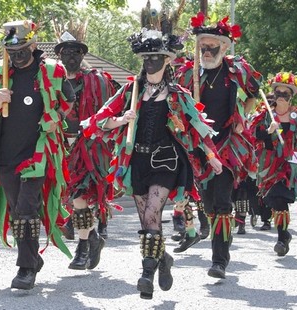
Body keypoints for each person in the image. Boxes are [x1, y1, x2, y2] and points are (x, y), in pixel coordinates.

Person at [82, 23, 222, 298]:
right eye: (146, 59)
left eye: (155, 58)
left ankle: (146, 273)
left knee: (152, 214)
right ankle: (163, 259)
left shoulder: (176, 95)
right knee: (149, 223)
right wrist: (122, 119)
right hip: (138, 161)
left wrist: (211, 156)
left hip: (166, 161)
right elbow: (98, 122)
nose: (150, 63)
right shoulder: (130, 91)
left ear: (167, 60)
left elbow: (198, 127)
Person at [0, 20, 75, 290]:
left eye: (22, 51)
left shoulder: (52, 71)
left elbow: (68, 101)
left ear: (34, 45)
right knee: (18, 212)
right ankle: (31, 258)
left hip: (38, 153)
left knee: (27, 209)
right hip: (5, 155)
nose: (16, 57)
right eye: (11, 52)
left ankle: (26, 268)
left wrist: (56, 118)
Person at [176, 12, 262, 279]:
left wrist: (242, 118)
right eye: (203, 46)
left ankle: (219, 260)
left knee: (223, 202)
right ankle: (221, 236)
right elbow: (177, 105)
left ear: (224, 46)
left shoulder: (237, 70)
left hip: (225, 143)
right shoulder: (188, 74)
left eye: (212, 46)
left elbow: (254, 95)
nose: (207, 51)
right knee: (209, 204)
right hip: (198, 147)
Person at [54, 32, 119, 270]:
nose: (71, 57)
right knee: (71, 197)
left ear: (83, 55)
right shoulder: (52, 79)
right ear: (59, 55)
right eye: (66, 52)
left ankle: (82, 248)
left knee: (80, 196)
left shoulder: (97, 80)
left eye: (76, 52)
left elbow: (109, 109)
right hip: (59, 145)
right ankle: (92, 238)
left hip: (88, 146)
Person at [251, 72, 297, 255]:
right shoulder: (265, 114)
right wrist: (268, 131)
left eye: (285, 93)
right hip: (269, 162)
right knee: (271, 199)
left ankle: (282, 239)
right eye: (278, 93)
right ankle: (284, 234)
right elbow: (254, 136)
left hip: (290, 162)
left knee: (282, 199)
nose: (281, 97)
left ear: (291, 96)